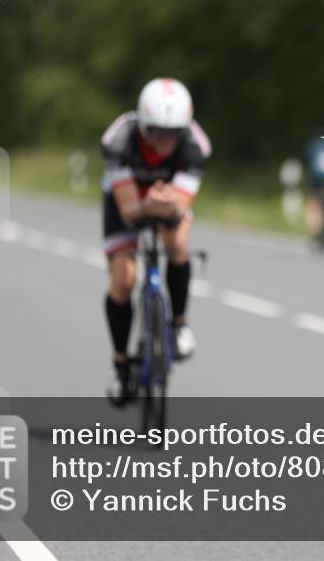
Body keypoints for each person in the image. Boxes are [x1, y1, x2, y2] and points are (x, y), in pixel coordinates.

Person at [101, 77, 211, 406]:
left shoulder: (196, 146)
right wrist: (145, 206)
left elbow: (181, 204)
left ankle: (179, 324)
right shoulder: (117, 141)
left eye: (173, 134)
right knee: (124, 278)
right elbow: (128, 209)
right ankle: (121, 366)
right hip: (126, 200)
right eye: (156, 133)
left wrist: (170, 205)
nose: (165, 142)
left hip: (166, 199)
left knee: (177, 240)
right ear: (143, 126)